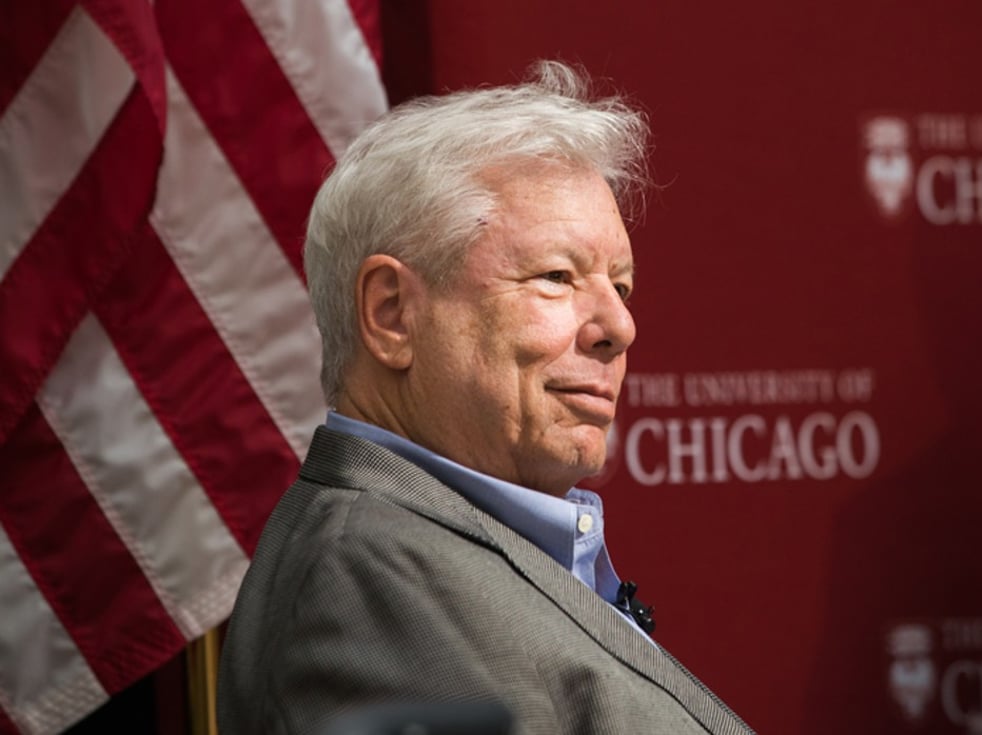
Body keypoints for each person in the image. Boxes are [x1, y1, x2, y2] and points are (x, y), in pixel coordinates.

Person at [217, 60, 754, 735]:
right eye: (557, 276)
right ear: (391, 314)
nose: (620, 326)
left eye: (620, 286)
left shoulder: (433, 550)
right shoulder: (364, 590)